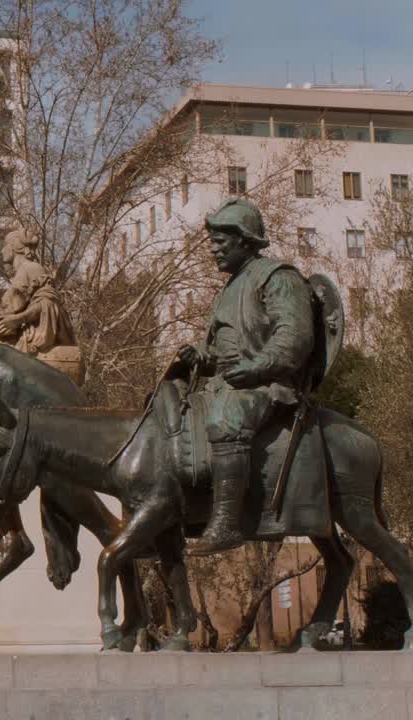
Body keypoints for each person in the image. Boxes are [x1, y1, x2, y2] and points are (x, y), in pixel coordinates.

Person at [177, 198, 315, 556]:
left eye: (220, 241)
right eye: (212, 241)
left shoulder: (277, 276)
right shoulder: (230, 287)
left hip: (268, 385)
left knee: (225, 420)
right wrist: (201, 358)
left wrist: (257, 368)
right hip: (226, 383)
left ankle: (226, 524)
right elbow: (222, 351)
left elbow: (294, 336)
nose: (213, 249)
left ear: (244, 240)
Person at [0, 228, 76, 355]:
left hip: (29, 339)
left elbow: (49, 304)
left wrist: (17, 320)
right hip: (14, 336)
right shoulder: (20, 273)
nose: (1, 251)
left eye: (5, 246)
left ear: (16, 247)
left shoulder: (33, 268)